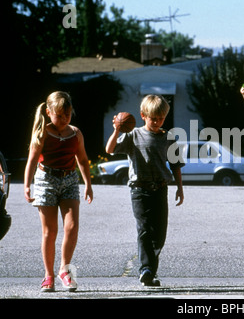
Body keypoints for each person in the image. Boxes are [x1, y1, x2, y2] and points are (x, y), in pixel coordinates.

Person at [105, 94, 184, 287]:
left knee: (160, 234)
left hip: (160, 189)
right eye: (153, 118)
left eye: (161, 118)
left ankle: (150, 269)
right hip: (139, 190)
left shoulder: (168, 138)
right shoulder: (133, 135)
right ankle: (146, 270)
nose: (157, 121)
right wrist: (116, 130)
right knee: (144, 230)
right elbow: (109, 149)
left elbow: (175, 165)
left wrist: (180, 188)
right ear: (143, 115)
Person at [24, 91, 93, 292]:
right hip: (46, 180)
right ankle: (48, 275)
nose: (63, 119)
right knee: (50, 231)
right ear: (48, 112)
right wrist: (27, 185)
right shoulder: (42, 132)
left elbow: (82, 159)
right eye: (59, 115)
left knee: (72, 227)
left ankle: (64, 269)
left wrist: (88, 183)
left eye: (67, 115)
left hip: (70, 179)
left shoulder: (76, 133)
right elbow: (31, 160)